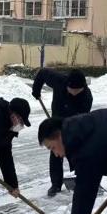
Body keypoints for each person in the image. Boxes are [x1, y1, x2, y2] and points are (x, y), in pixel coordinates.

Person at [32, 68, 93, 196]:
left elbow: (83, 121)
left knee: (75, 149)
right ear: (67, 85)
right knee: (55, 151)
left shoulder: (87, 97)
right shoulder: (59, 80)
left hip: (73, 123)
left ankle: (78, 178)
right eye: (72, 91)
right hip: (56, 120)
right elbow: (42, 73)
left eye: (78, 91)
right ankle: (56, 184)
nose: (75, 94)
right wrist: (36, 89)